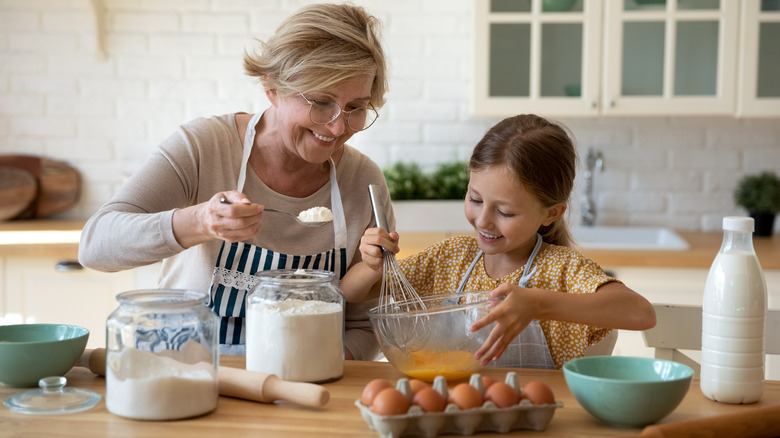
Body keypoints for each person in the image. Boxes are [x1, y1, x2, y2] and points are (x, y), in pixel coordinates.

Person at [79, 3, 393, 359]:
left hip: (305, 393)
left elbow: (364, 325)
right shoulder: (205, 146)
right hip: (186, 377)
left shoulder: (364, 182)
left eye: (355, 108)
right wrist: (200, 221)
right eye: (322, 102)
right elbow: (95, 245)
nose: (338, 127)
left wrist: (315, 371)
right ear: (272, 88)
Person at [340, 114, 657, 369]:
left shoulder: (560, 270)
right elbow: (350, 293)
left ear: (551, 213)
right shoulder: (451, 258)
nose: (483, 221)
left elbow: (641, 313)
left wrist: (537, 303)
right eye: (475, 199)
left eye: (505, 211)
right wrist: (371, 265)